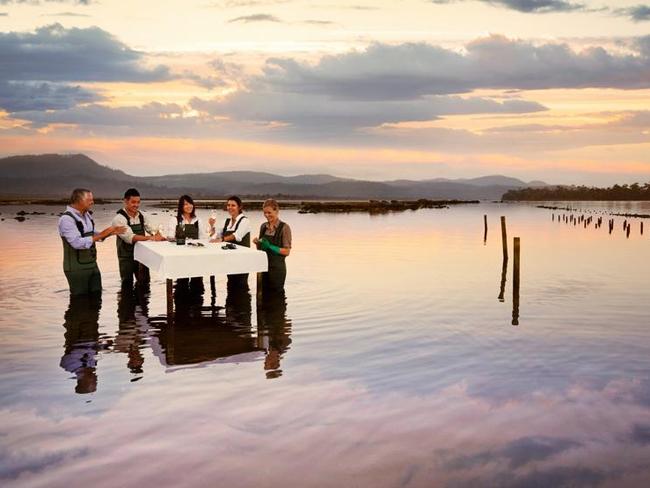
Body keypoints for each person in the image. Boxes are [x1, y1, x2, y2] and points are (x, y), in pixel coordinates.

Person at [58, 188, 125, 296]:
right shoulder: (66, 219)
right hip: (76, 269)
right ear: (79, 200)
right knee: (80, 302)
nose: (92, 202)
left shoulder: (87, 215)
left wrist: (111, 233)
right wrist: (103, 233)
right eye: (89, 200)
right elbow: (77, 243)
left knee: (97, 297)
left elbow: (92, 234)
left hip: (92, 265)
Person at [112, 188, 165, 287]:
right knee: (127, 284)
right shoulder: (119, 219)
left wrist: (159, 235)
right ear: (125, 201)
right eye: (133, 202)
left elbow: (152, 229)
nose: (136, 205)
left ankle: (143, 302)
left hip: (142, 255)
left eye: (138, 202)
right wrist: (151, 238)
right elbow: (130, 238)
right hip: (126, 257)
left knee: (145, 283)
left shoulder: (142, 216)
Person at [208, 195, 251, 288]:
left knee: (241, 285)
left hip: (242, 260)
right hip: (230, 259)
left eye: (233, 205)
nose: (230, 207)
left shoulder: (245, 221)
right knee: (231, 284)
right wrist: (211, 226)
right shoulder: (226, 221)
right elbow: (216, 236)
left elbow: (237, 236)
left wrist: (221, 239)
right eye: (228, 205)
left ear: (239, 207)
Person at [253, 199, 292, 291]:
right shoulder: (263, 227)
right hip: (263, 267)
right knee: (263, 296)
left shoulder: (284, 228)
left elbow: (287, 251)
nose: (267, 215)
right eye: (265, 213)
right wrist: (257, 243)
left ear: (276, 211)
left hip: (277, 270)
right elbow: (261, 250)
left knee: (276, 297)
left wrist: (270, 246)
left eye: (269, 212)